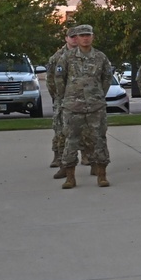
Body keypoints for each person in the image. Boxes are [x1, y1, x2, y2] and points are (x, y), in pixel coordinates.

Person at [55, 24, 113, 189]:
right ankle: (70, 178)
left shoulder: (101, 57)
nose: (85, 38)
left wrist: (98, 94)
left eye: (88, 35)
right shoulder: (67, 57)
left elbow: (107, 78)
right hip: (73, 107)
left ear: (92, 37)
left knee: (99, 140)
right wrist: (67, 97)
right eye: (81, 35)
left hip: (96, 107)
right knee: (70, 141)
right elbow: (59, 79)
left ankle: (101, 175)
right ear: (77, 38)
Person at [48, 26, 78, 179]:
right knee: (60, 130)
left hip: (81, 99)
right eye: (71, 37)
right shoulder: (57, 57)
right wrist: (59, 96)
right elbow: (51, 81)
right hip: (63, 100)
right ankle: (59, 159)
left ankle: (88, 158)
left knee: (86, 131)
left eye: (76, 36)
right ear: (66, 38)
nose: (74, 39)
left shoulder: (85, 54)